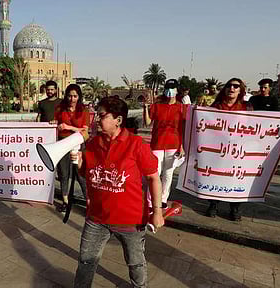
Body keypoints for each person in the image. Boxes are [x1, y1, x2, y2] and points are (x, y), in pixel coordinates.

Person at [72, 96, 164, 288]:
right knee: (86, 262)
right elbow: (87, 173)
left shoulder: (136, 144)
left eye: (102, 115)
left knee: (135, 263)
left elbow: (154, 178)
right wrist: (79, 162)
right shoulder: (93, 143)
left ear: (118, 120)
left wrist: (157, 211)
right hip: (96, 218)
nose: (97, 119)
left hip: (130, 220)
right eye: (97, 115)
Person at [206, 78, 252, 221]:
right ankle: (213, 205)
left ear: (240, 90)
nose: (232, 88)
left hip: (238, 151)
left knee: (236, 180)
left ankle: (235, 208)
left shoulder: (247, 108)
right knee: (216, 177)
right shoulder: (217, 106)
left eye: (236, 86)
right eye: (229, 86)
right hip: (219, 150)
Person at [143, 79, 186, 207]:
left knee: (168, 174)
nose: (170, 91)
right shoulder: (157, 105)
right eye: (167, 88)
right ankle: (151, 202)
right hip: (157, 144)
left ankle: (162, 199)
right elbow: (147, 122)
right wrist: (145, 107)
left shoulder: (182, 107)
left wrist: (182, 146)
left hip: (174, 144)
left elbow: (183, 128)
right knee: (155, 172)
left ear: (177, 90)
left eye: (172, 88)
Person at [53, 84, 90, 212]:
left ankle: (89, 202)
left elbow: (85, 131)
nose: (72, 99)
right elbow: (55, 124)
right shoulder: (60, 109)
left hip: (79, 144)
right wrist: (55, 124)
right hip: (62, 144)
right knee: (63, 173)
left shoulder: (84, 111)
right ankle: (65, 201)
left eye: (75, 96)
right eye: (69, 96)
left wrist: (69, 128)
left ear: (79, 97)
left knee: (81, 174)